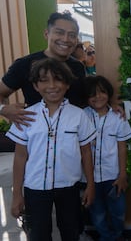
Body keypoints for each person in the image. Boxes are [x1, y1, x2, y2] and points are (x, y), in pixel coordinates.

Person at [7, 58, 96, 241]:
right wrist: (17, 194)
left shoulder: (78, 116)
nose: (52, 85)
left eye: (58, 79)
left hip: (69, 187)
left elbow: (86, 152)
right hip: (35, 187)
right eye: (44, 80)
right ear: (35, 86)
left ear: (67, 84)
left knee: (71, 232)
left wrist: (90, 185)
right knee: (38, 234)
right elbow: (20, 156)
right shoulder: (26, 117)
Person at [0, 11, 86, 128]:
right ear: (46, 34)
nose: (66, 39)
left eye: (72, 35)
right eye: (59, 33)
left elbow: (84, 101)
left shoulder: (78, 67)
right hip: (36, 135)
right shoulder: (25, 64)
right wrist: (4, 109)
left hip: (72, 136)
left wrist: (114, 109)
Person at [83, 75, 131, 241]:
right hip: (90, 179)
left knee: (118, 212)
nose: (98, 97)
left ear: (109, 93)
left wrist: (122, 175)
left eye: (102, 92)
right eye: (92, 94)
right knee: (97, 214)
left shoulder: (118, 117)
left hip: (113, 177)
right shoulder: (81, 116)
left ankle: (118, 236)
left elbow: (122, 147)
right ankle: (106, 237)